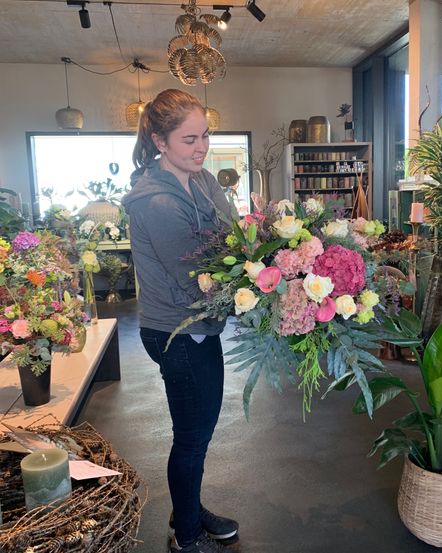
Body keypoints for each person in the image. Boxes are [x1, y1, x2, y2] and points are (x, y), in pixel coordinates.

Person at [122, 89, 237, 553]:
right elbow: (197, 279)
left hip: (200, 325)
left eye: (206, 135)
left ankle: (186, 510)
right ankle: (186, 538)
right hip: (177, 331)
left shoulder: (201, 179)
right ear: (159, 140)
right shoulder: (157, 203)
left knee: (201, 429)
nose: (202, 147)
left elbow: (233, 235)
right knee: (191, 437)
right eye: (190, 138)